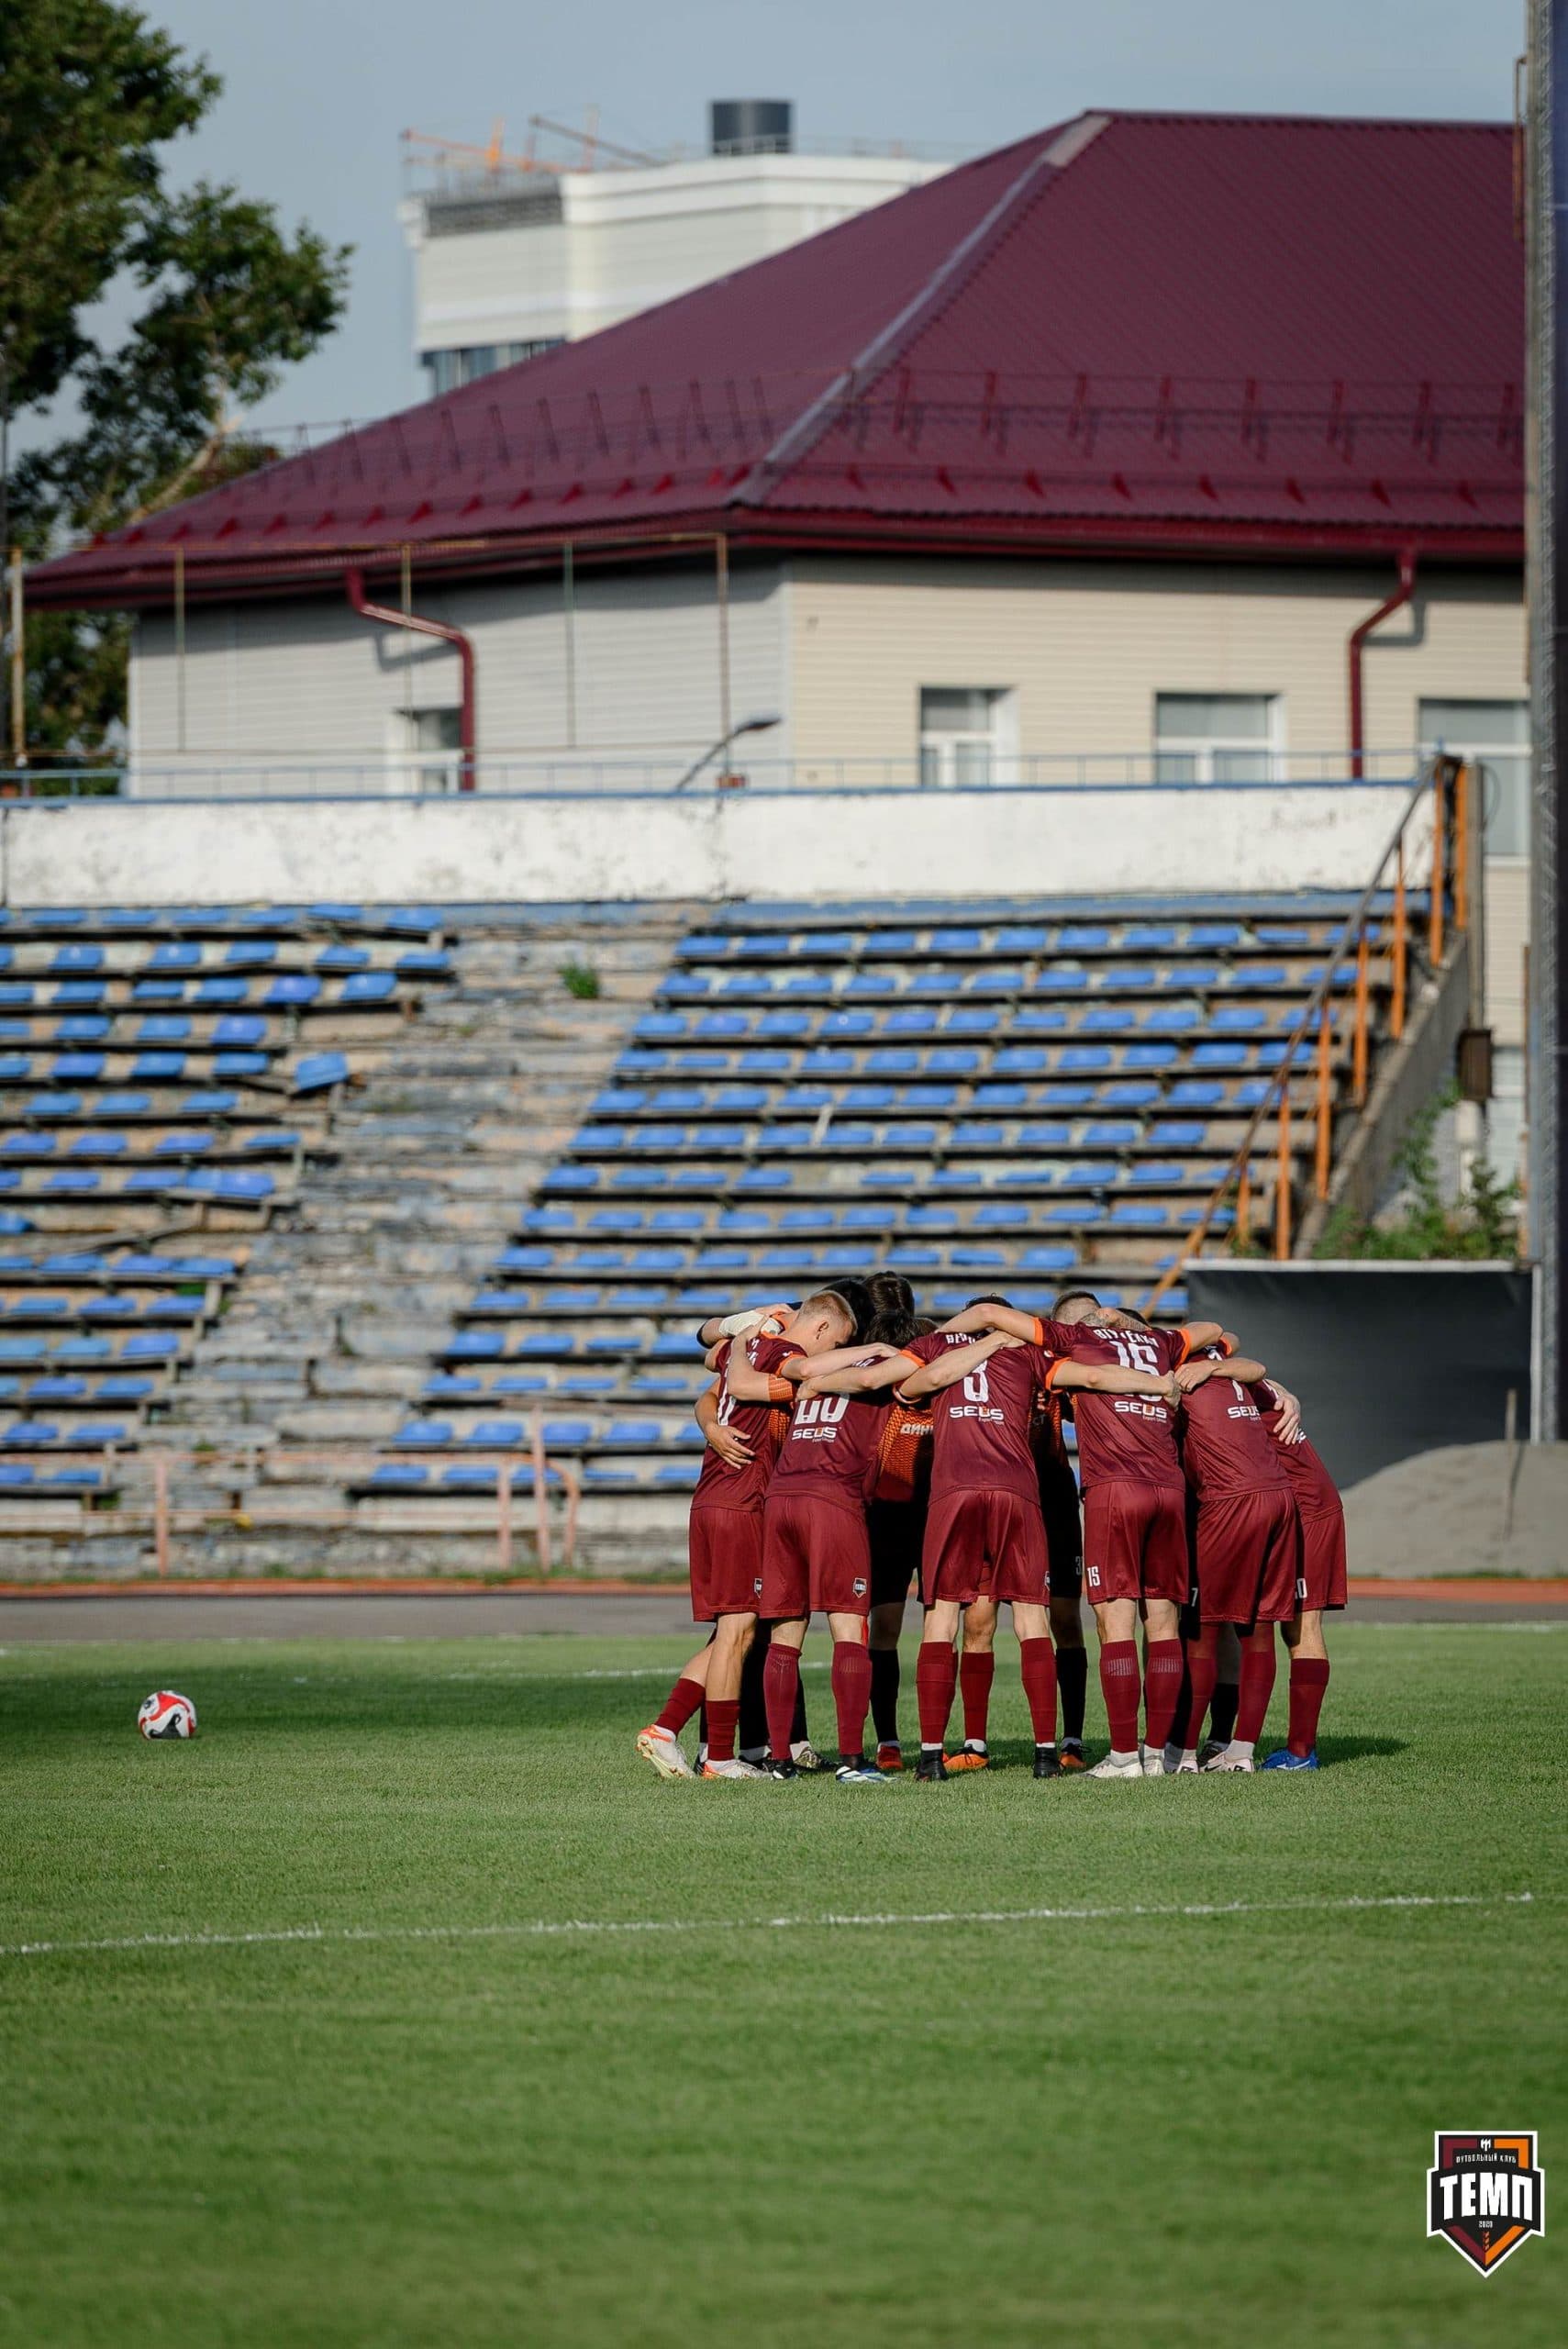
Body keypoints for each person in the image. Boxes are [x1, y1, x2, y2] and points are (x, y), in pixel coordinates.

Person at [806, 1312, 1180, 1781]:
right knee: (1031, 1616)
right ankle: (1047, 1754)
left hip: (954, 1491)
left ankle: (928, 1758)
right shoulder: (1025, 1350)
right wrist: (1158, 1382)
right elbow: (1093, 1375)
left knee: (942, 1617)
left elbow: (881, 1379)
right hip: (1018, 1492)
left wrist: (810, 1383)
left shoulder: (936, 1345)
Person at [938, 1291, 1223, 1777]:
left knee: (1114, 1624)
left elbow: (989, 1316)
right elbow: (1217, 1330)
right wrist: (1208, 1371)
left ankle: (1122, 1756)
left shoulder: (1074, 1341)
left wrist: (934, 1343)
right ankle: (1160, 1754)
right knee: (1163, 1624)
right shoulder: (1160, 1342)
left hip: (1114, 1491)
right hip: (1169, 1489)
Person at [635, 1290, 873, 1779]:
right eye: (839, 1342)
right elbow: (796, 1375)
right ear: (824, 1330)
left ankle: (703, 1746)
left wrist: (741, 1330)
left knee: (735, 1631)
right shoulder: (789, 1356)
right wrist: (884, 1354)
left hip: (716, 1497)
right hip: (741, 1500)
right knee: (739, 1631)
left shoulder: (746, 1346)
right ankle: (699, 1746)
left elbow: (709, 1354)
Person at [736, 1308, 901, 1784]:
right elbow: (906, 1372)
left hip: (781, 1498)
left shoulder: (806, 1371)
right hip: (832, 1500)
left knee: (785, 1637)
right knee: (850, 1629)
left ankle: (780, 1759)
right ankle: (852, 1759)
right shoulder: (879, 1370)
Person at [1162, 1329, 1296, 1773]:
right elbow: (1246, 1356)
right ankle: (1240, 1752)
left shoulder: (1178, 1375)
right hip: (1279, 1498)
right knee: (1258, 1628)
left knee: (1202, 1630)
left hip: (1229, 1501)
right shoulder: (1236, 1375)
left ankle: (1180, 1755)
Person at [862, 1274, 935, 1772]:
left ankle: (939, 1743)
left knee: (943, 1629)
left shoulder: (937, 1367)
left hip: (937, 1516)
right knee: (883, 1630)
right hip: (886, 1518)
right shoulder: (870, 1390)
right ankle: (888, 1740)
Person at [1253, 1375, 1345, 1769]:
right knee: (1281, 1624)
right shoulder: (1240, 1376)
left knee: (1301, 1627)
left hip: (1306, 1508)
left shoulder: (1217, 1376)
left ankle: (1302, 1751)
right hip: (1288, 1503)